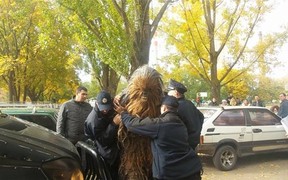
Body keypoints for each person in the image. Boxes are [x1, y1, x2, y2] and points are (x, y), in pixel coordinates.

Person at [114, 95, 202, 180]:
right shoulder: (181, 124)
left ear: (164, 108)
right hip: (191, 170)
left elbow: (133, 125)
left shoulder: (160, 124)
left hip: (171, 174)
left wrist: (123, 113)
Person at [84, 91, 120, 179]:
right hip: (103, 148)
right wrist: (114, 124)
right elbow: (103, 141)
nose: (105, 110)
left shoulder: (108, 110)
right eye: (103, 108)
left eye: (107, 107)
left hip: (109, 144)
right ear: (96, 103)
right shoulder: (93, 120)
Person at [167, 79, 204, 150]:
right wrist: (196, 133)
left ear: (176, 92)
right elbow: (201, 117)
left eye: (169, 91)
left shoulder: (176, 107)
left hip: (182, 147)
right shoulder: (189, 104)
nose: (168, 94)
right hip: (193, 145)